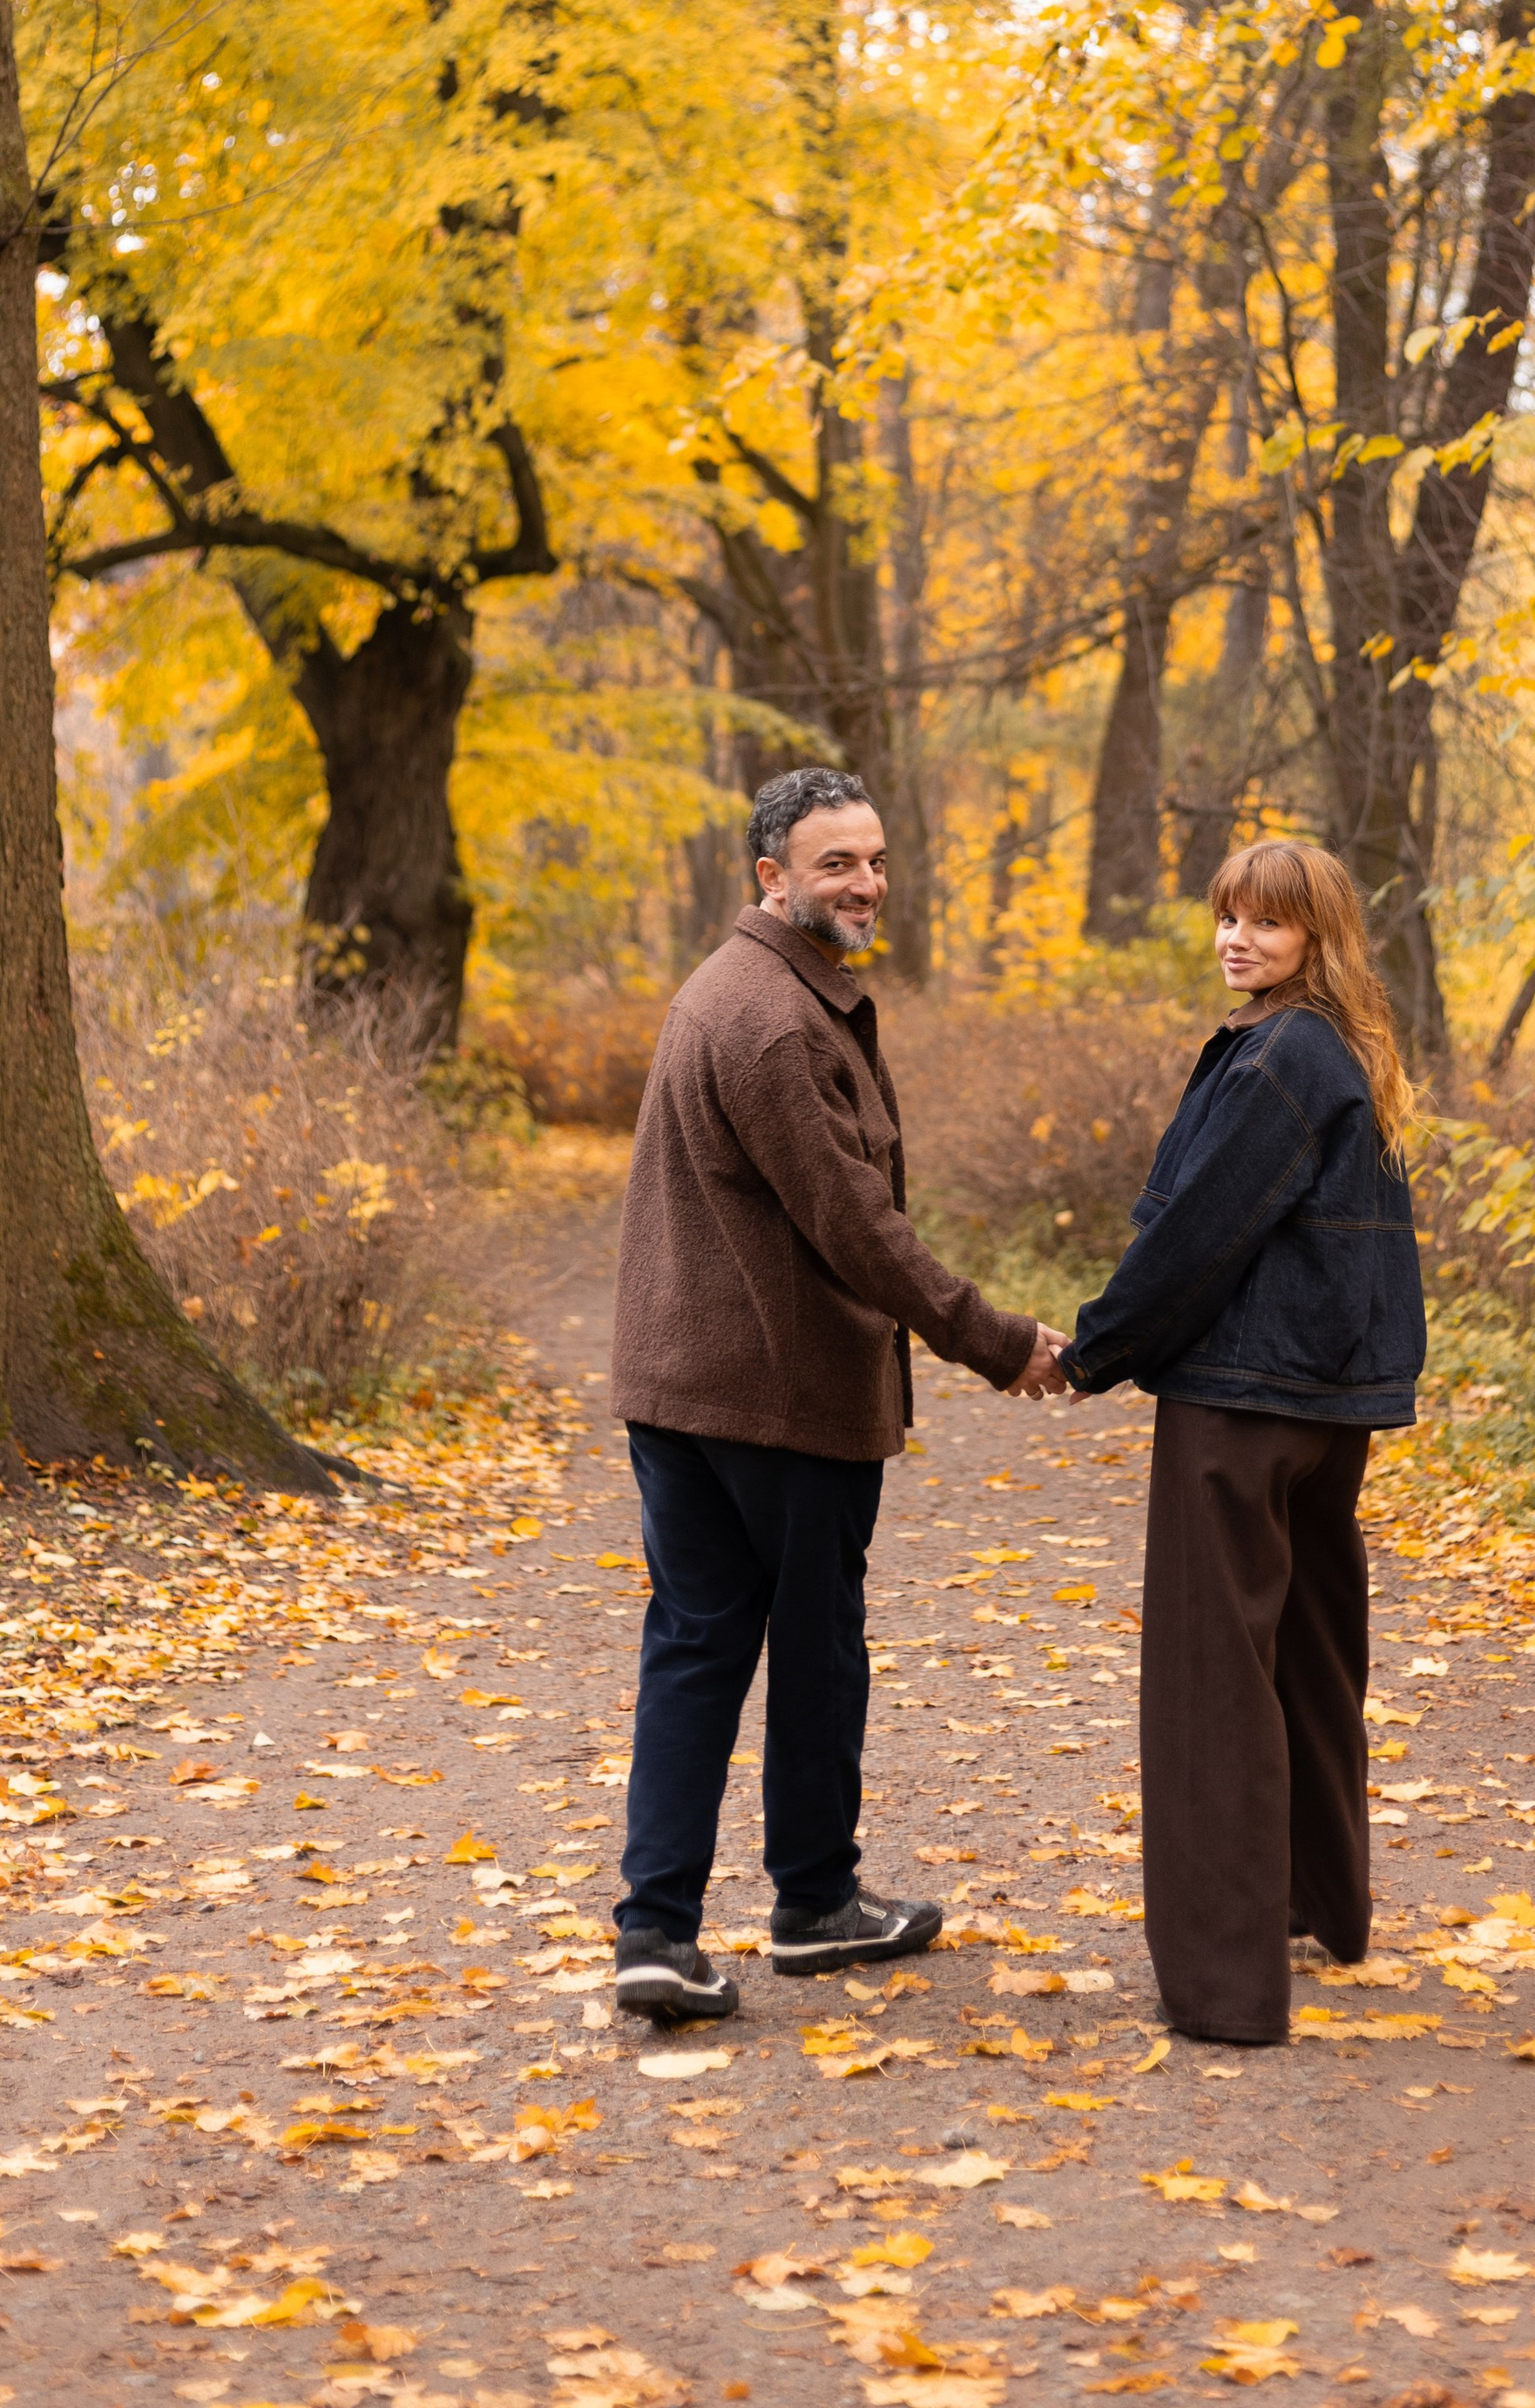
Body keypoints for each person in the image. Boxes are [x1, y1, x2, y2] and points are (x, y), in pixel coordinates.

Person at [608, 765, 1067, 2022]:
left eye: (874, 860)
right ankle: (810, 1906)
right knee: (811, 1653)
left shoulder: (738, 988)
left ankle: (659, 1930)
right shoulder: (774, 1021)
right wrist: (999, 1341)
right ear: (773, 876)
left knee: (696, 1645)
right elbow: (856, 1228)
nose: (865, 884)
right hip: (777, 1397)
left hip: (687, 1389)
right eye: (835, 864)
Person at [1056, 839, 1423, 2049]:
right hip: (1322, 1405)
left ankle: (1226, 1987)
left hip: (1242, 1402)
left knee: (1214, 1681)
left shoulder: (1281, 1057)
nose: (1237, 939)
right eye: (1227, 916)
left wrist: (1096, 1348)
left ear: (1317, 936)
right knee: (1310, 1652)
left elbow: (1201, 1232)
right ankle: (1319, 1908)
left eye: (1266, 922)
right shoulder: (1341, 1048)